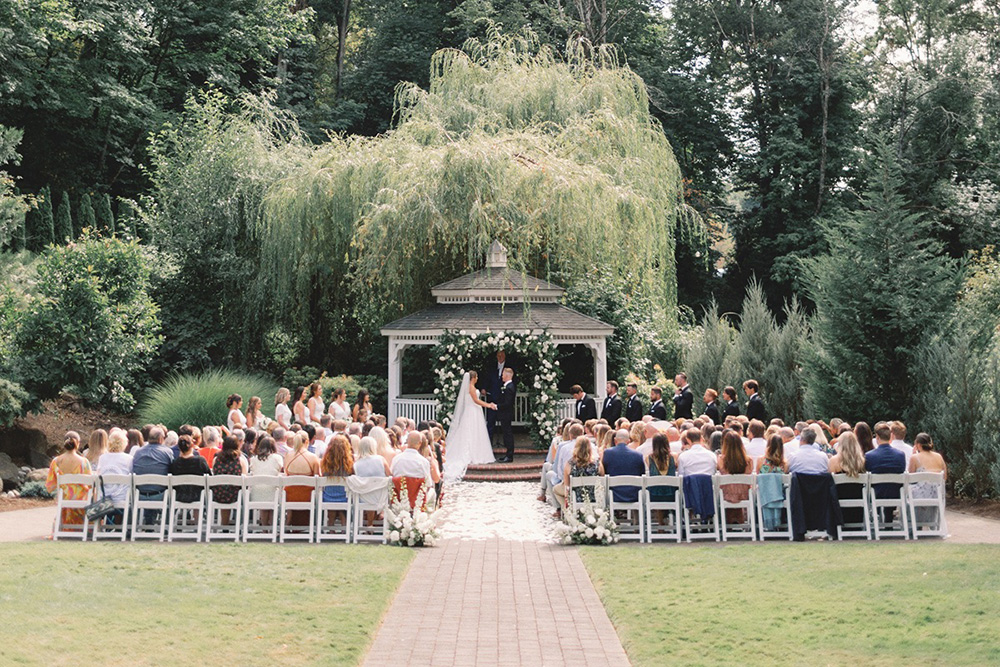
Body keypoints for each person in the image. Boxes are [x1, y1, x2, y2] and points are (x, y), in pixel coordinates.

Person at [442, 371, 497, 480]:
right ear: (473, 378)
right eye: (476, 377)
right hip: (472, 411)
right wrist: (489, 405)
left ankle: (476, 451)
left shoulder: (471, 387)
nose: (477, 378)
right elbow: (476, 401)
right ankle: (472, 454)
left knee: (474, 431)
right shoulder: (471, 387)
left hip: (474, 411)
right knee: (471, 431)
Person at [45, 431, 93, 528]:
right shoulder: (84, 462)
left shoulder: (56, 461)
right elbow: (90, 483)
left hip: (64, 497)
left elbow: (50, 486)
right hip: (81, 499)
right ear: (78, 443)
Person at [283, 432, 321, 526]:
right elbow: (318, 478)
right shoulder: (313, 457)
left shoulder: (287, 456)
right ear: (307, 441)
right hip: (307, 496)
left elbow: (286, 473)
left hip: (290, 496)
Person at [909, 432, 947, 524]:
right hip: (938, 493)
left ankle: (912, 524)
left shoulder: (914, 457)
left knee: (906, 492)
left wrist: (913, 454)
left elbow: (910, 478)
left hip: (921, 495)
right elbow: (945, 477)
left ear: (918, 444)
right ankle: (933, 524)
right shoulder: (939, 456)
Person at [717, 429, 753, 524]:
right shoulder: (748, 460)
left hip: (727, 494)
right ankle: (739, 520)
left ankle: (729, 522)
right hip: (744, 494)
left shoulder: (721, 459)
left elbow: (722, 471)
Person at [391, 432, 434, 508]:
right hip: (417, 501)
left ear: (407, 442)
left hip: (398, 499)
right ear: (420, 443)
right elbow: (428, 484)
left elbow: (392, 478)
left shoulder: (396, 459)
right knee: (433, 492)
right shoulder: (423, 462)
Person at [602, 429, 644, 503]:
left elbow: (604, 472)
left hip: (613, 495)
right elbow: (641, 473)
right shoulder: (638, 455)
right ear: (628, 441)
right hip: (633, 495)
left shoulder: (607, 453)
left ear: (615, 440)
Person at [249, 436, 283, 526]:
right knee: (272, 492)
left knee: (264, 499)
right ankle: (272, 527)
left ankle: (264, 528)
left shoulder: (253, 459)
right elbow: (280, 469)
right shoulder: (277, 458)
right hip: (273, 494)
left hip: (256, 493)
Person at [320, 435, 354, 526]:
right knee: (344, 492)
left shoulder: (324, 463)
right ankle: (344, 525)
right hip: (345, 497)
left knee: (332, 491)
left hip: (328, 496)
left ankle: (330, 524)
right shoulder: (350, 463)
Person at [169, 435, 211, 503]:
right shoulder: (200, 461)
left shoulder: (175, 463)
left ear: (179, 447)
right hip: (198, 496)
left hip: (179, 496)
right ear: (192, 445)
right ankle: (196, 513)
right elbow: (209, 478)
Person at [563, 436, 603, 505]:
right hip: (594, 498)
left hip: (576, 499)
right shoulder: (597, 464)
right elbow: (602, 479)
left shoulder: (569, 464)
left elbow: (567, 486)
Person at [495, 367, 516, 463]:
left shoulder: (510, 387)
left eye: (503, 375)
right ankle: (507, 454)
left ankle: (510, 455)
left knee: (508, 434)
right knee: (506, 434)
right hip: (505, 414)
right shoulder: (507, 386)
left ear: (507, 376)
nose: (502, 376)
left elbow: (507, 403)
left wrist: (497, 406)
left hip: (506, 414)